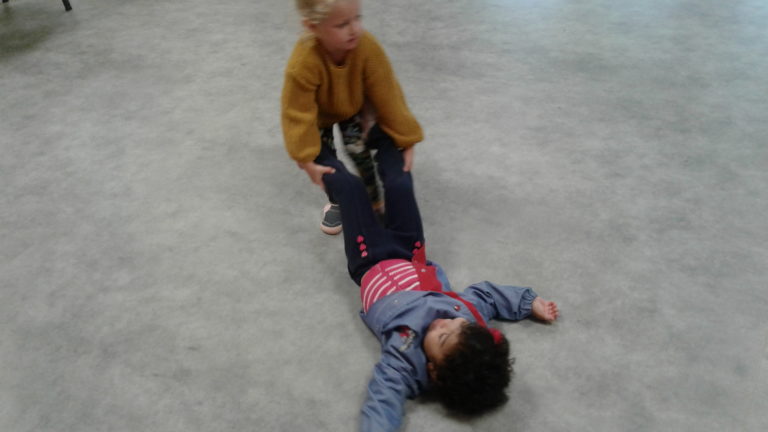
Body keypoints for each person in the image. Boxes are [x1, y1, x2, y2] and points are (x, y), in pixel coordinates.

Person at [318, 125, 560, 431]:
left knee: (351, 188)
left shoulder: (405, 359)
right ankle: (380, 133)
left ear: (433, 371)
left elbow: (385, 397)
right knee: (400, 183)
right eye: (458, 325)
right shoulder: (467, 318)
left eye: (442, 337)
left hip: (370, 260)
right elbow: (488, 296)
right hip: (411, 252)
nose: (445, 323)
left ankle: (316, 150)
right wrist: (528, 302)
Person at [282, 0, 423, 235]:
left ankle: (375, 205)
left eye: (358, 18)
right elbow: (296, 113)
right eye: (342, 24)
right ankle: (337, 201)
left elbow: (388, 93)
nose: (354, 29)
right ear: (313, 27)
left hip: (352, 107)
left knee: (360, 155)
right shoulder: (303, 63)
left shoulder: (366, 46)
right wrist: (305, 159)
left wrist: (407, 137)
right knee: (329, 168)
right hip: (317, 117)